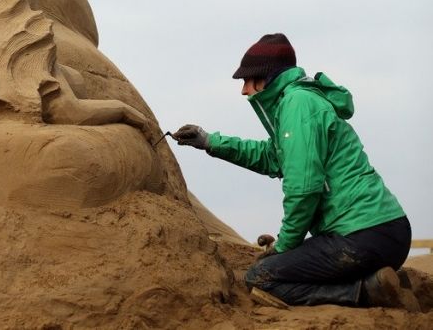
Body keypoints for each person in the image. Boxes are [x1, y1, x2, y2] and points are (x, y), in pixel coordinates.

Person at [173, 33, 419, 310]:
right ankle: (378, 281)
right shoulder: (299, 103)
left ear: (266, 77)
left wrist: (284, 246)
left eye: (246, 79)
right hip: (379, 231)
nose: (243, 90)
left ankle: (366, 293)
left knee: (261, 277)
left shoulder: (297, 105)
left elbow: (304, 189)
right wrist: (210, 141)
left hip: (361, 236)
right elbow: (271, 156)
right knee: (284, 265)